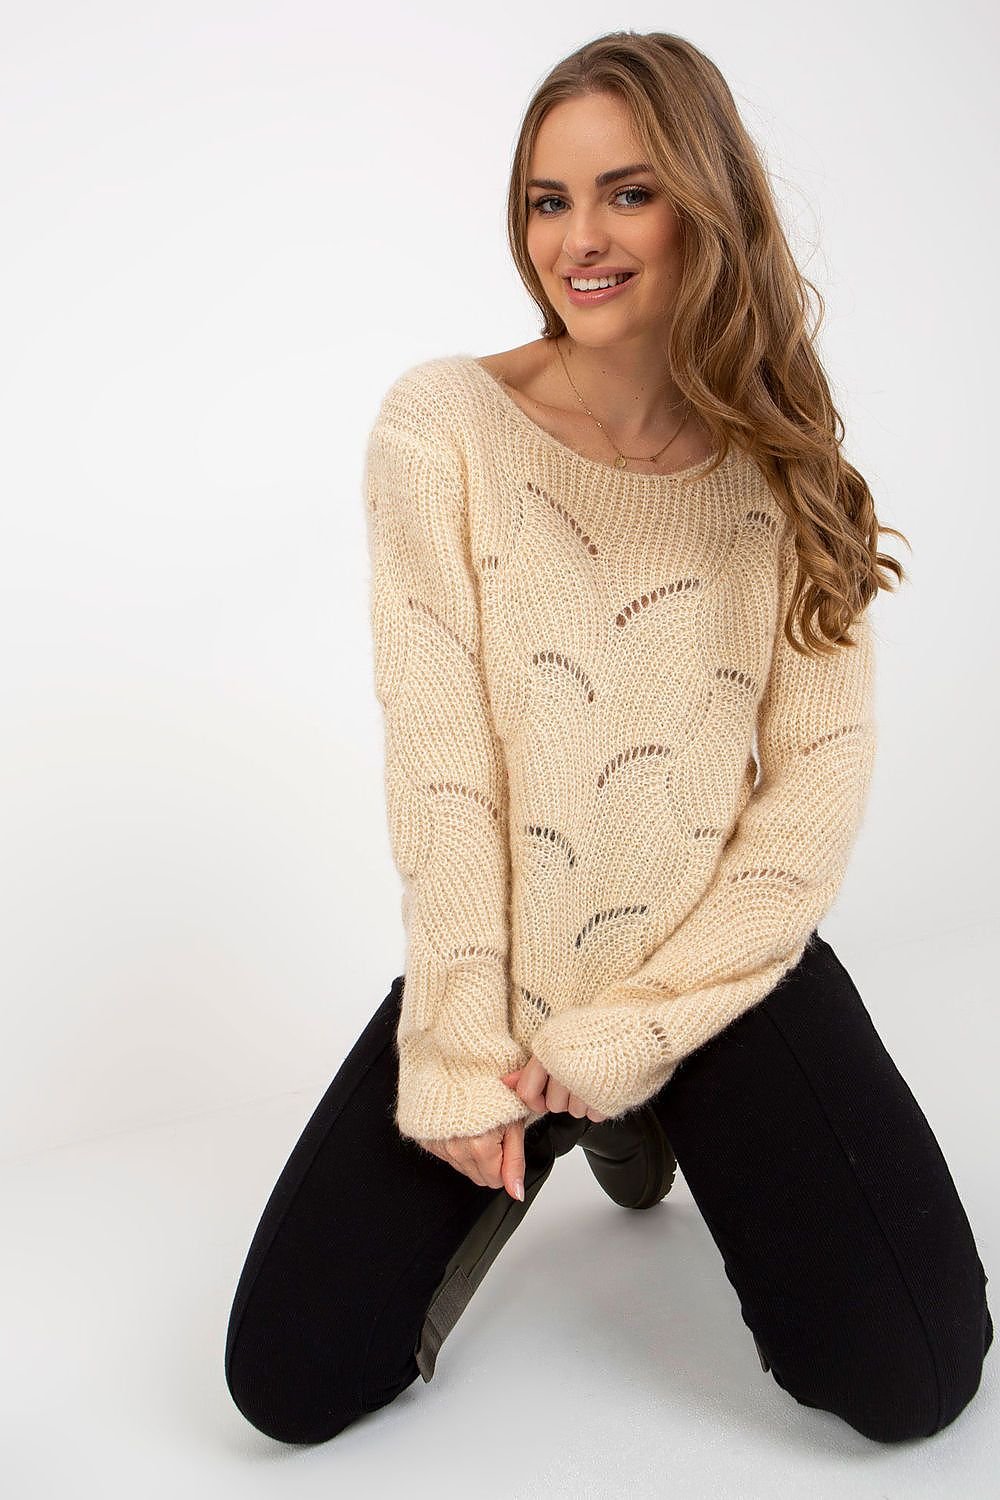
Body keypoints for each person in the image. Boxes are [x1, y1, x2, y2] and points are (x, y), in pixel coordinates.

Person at [224, 31, 993, 1447]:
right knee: (290, 1378)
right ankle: (591, 1117)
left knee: (918, 1378)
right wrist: (459, 1045)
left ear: (705, 204)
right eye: (548, 200)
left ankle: (641, 1101)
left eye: (627, 192)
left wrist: (640, 1029)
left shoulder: (789, 470)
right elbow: (443, 767)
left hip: (716, 966)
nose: (579, 238)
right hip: (514, 972)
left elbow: (814, 792)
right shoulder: (442, 427)